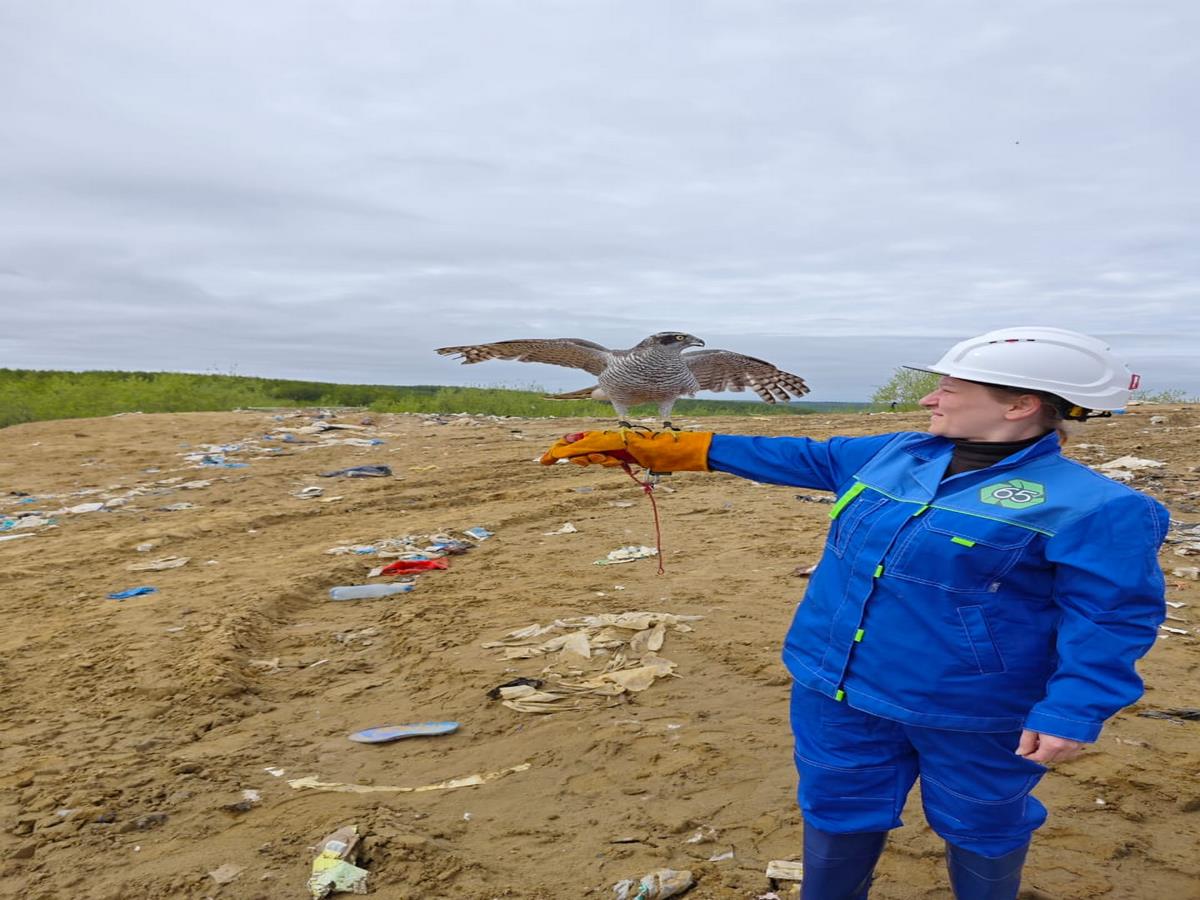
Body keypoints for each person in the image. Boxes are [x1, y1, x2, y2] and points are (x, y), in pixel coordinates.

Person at [540, 326, 1168, 900]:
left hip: (970, 708)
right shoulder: (896, 453)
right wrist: (658, 447)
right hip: (832, 685)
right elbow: (800, 457)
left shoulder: (1096, 506)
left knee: (982, 820)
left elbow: (1112, 618)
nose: (930, 399)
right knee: (837, 807)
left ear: (1020, 404)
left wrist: (1072, 710)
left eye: (949, 387)